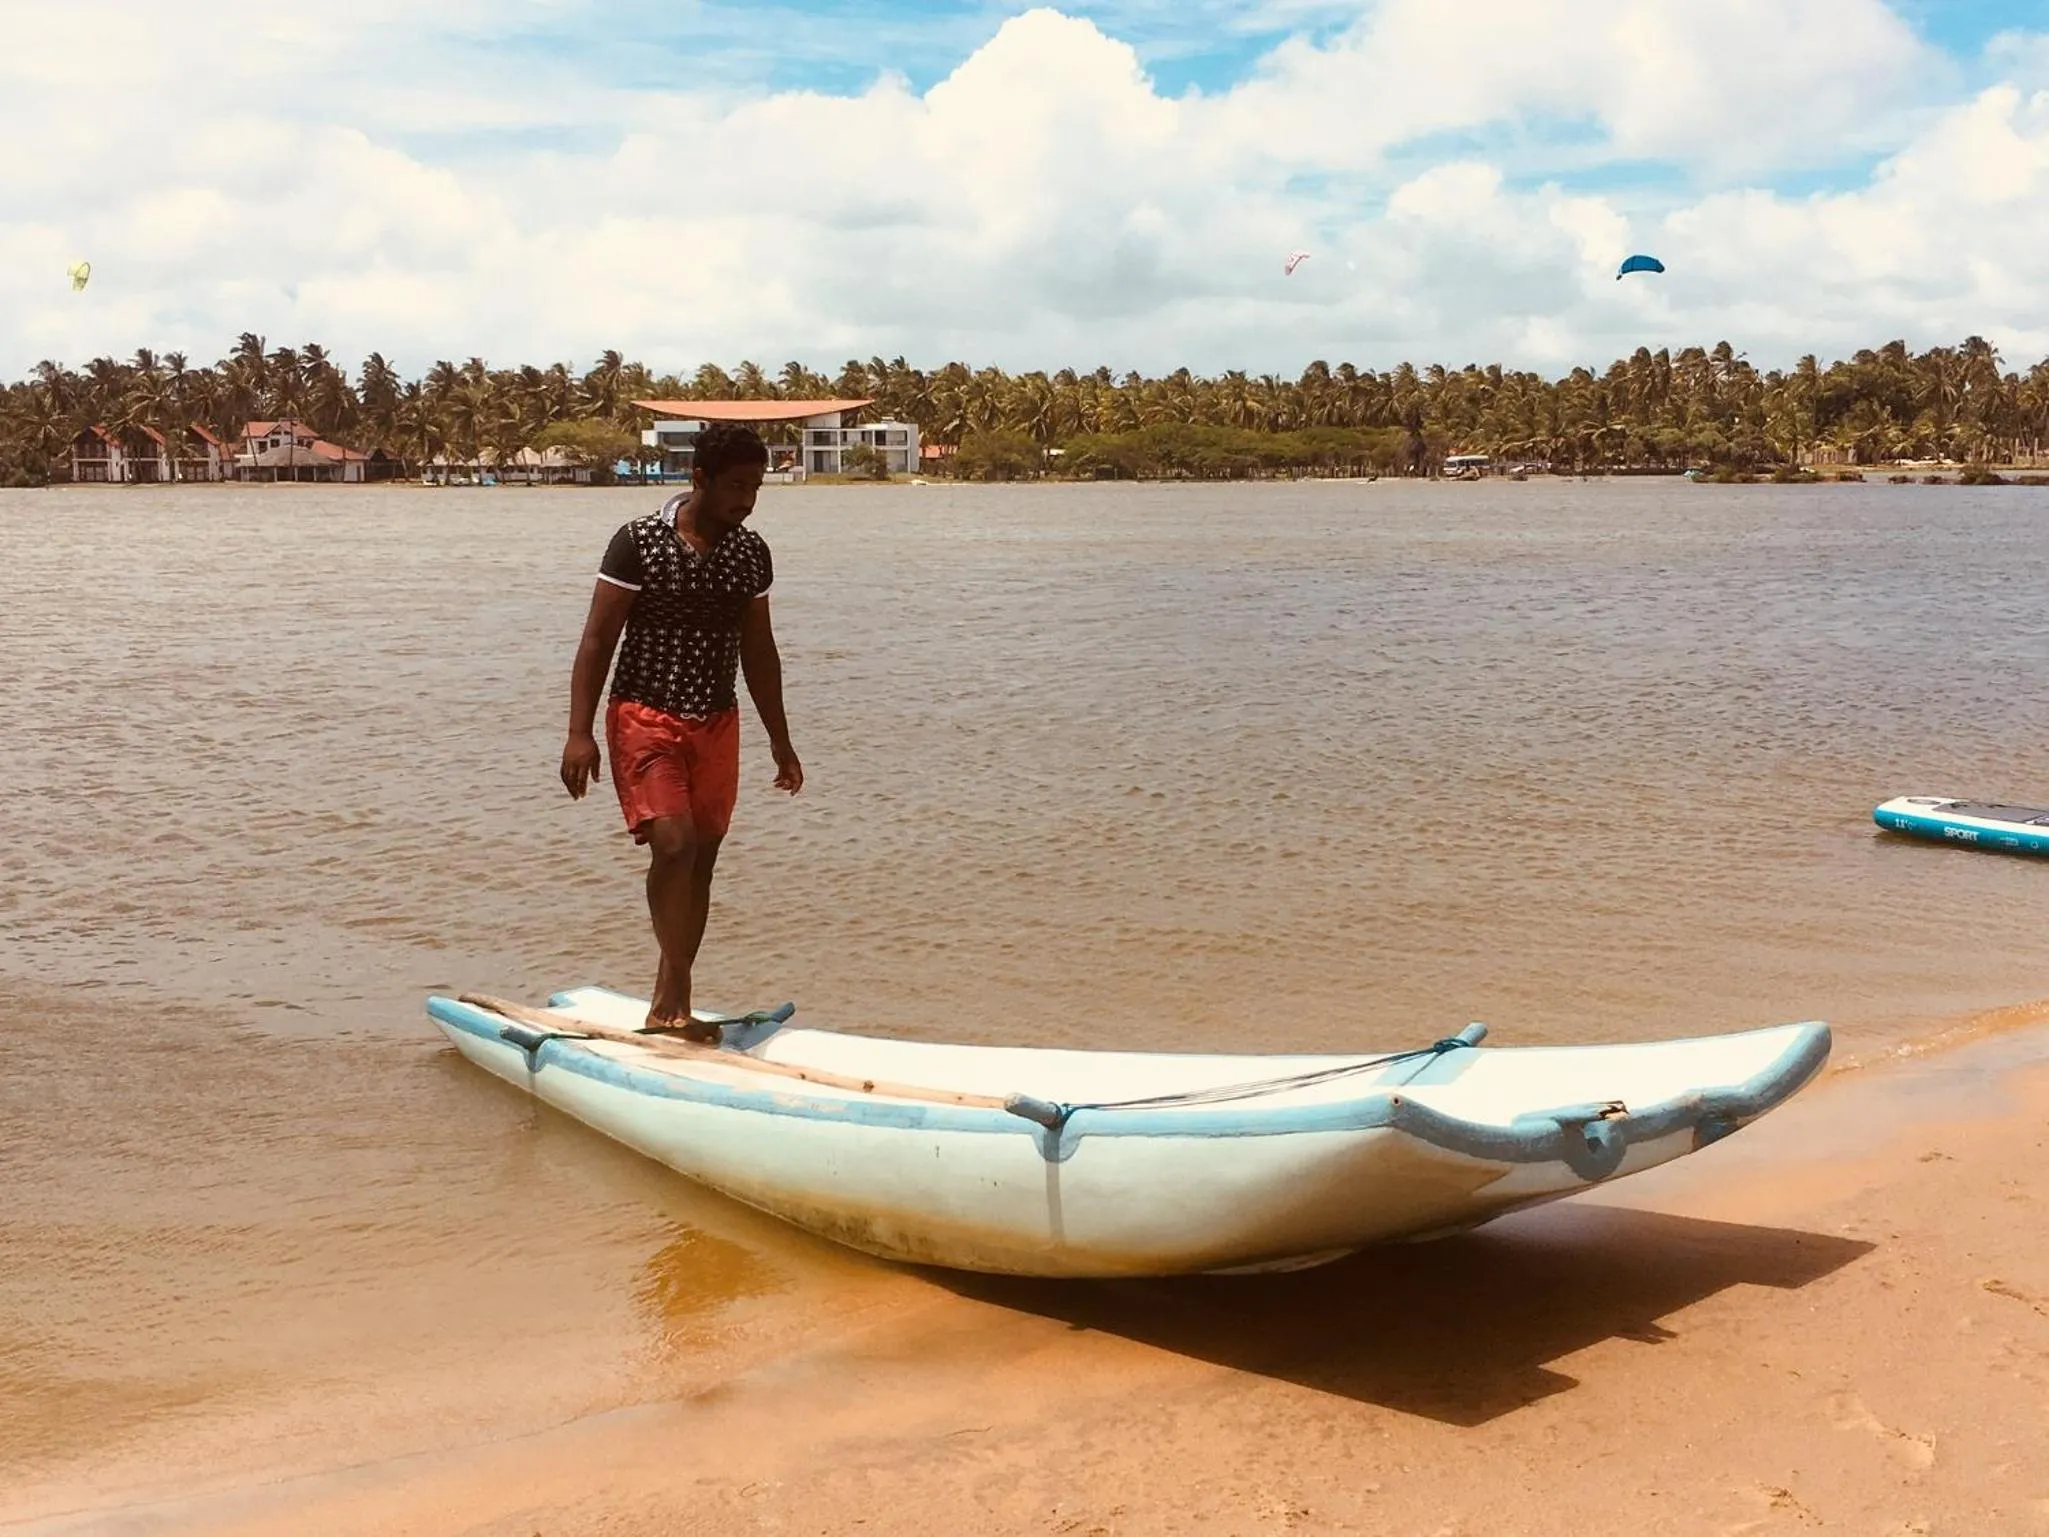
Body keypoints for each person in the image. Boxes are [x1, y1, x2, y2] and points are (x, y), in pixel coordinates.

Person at [558, 422, 802, 1039]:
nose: (747, 500)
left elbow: (759, 648)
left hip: (717, 722)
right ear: (700, 480)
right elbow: (596, 639)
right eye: (736, 486)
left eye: (756, 486)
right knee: (674, 845)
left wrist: (780, 738)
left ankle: (668, 1001)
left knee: (703, 863)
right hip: (645, 714)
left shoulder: (752, 553)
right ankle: (677, 998)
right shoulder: (638, 543)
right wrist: (578, 732)